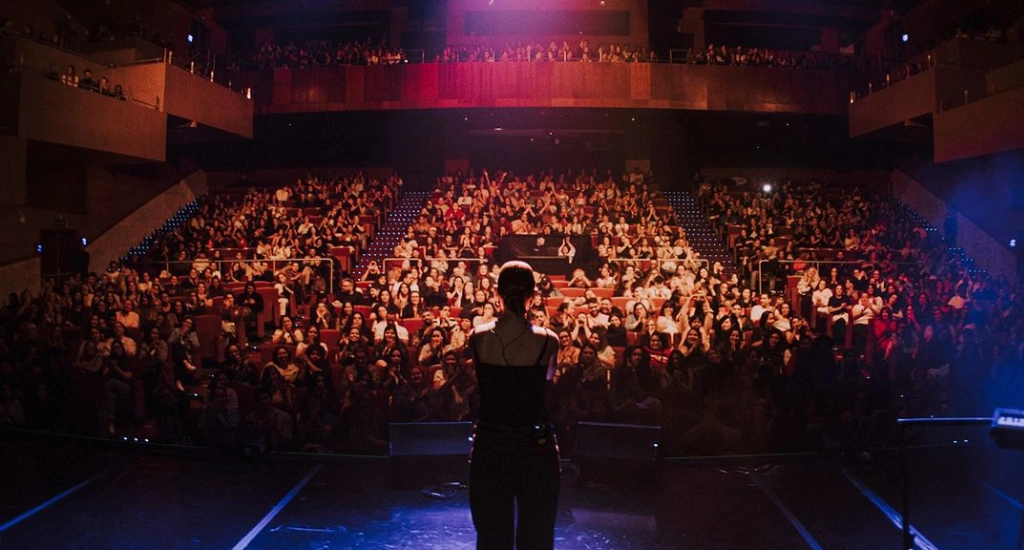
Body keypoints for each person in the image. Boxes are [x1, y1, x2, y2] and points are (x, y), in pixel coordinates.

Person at [467, 260, 560, 550]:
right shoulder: (549, 341)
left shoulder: (478, 337)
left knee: (492, 534)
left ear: (497, 294)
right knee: (537, 532)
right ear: (533, 296)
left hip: (490, 443)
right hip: (534, 444)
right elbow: (547, 382)